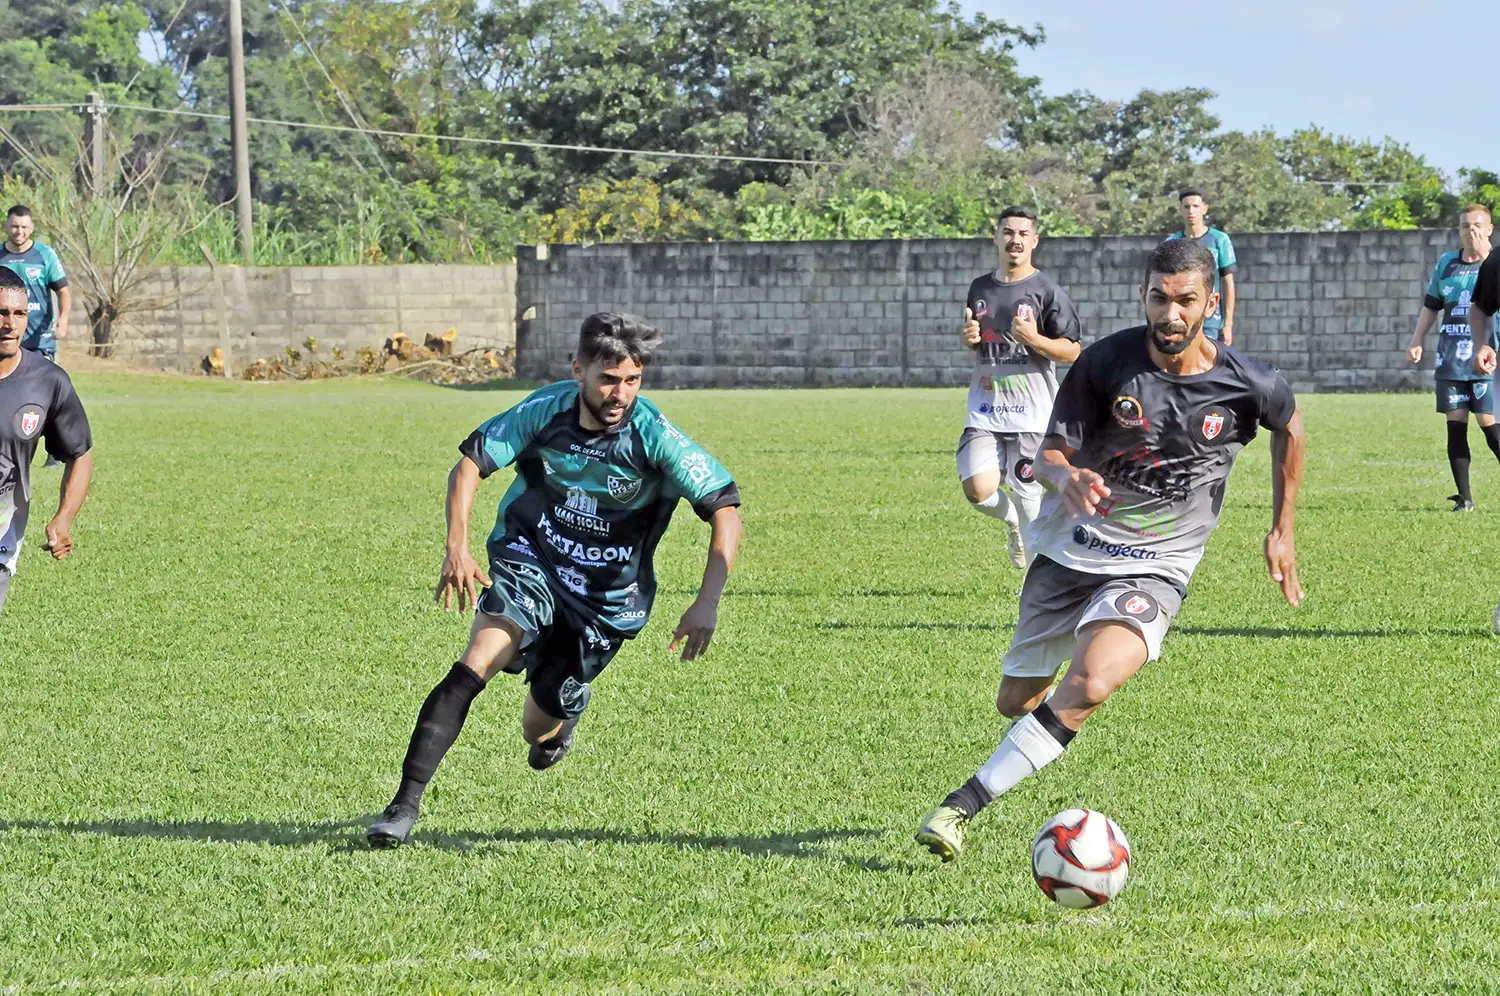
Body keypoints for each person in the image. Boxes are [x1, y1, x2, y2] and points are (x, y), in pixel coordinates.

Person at [915, 239, 1305, 863]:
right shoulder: (1105, 364)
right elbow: (1047, 454)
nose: (1170, 314)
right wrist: (1063, 476)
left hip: (1157, 566)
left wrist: (1281, 528)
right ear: (1144, 297)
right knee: (1015, 703)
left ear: (1209, 304)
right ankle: (1047, 725)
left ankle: (961, 805)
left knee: (1092, 681)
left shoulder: (1246, 382)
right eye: (1158, 298)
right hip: (1071, 554)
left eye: (1185, 301)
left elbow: (1291, 427)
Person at [366, 312, 743, 848]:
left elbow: (725, 508)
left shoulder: (655, 436)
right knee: (476, 662)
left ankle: (561, 718)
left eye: (632, 380)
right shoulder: (545, 411)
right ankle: (403, 807)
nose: (620, 393)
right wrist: (457, 548)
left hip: (605, 598)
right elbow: (470, 465)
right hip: (533, 560)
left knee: (536, 729)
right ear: (579, 371)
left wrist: (707, 602)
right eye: (608, 379)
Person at [958, 206, 1082, 568]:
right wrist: (968, 339)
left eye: (1023, 234)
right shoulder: (979, 288)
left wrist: (1034, 339)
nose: (1015, 240)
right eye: (1008, 232)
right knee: (978, 491)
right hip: (984, 410)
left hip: (1032, 413)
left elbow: (1073, 350)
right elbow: (977, 339)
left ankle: (1032, 579)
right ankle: (1010, 521)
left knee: (1029, 494)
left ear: (1035, 241)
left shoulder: (1047, 291)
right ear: (996, 236)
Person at [0, 268, 93, 615]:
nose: (10, 323)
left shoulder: (48, 382)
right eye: (1, 312)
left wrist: (64, 516)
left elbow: (78, 452)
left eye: (19, 313)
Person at [1405, 205, 1497, 512]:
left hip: (1487, 358)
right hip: (1451, 359)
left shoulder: (1495, 263)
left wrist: (1487, 256)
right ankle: (1465, 498)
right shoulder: (1447, 264)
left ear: (1489, 229)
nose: (1470, 231)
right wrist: (1417, 339)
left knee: (1490, 424)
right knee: (1455, 425)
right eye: (1464, 226)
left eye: (1477, 225)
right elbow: (1431, 305)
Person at [1163, 189, 1236, 345]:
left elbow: (1228, 282)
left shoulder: (1219, 240)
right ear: (1180, 210)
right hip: (1182, 318)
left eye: (1195, 206)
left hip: (1211, 320)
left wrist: (1228, 324)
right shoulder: (1172, 242)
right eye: (1187, 207)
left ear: (1204, 209)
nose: (1191, 211)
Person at [0, 206, 70, 362]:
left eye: (24, 227)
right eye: (14, 226)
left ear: (31, 228)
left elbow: (63, 291)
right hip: (4, 339)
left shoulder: (45, 255)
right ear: (6, 226)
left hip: (39, 341)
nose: (19, 231)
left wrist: (63, 318)